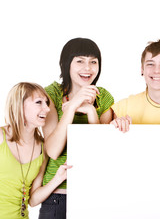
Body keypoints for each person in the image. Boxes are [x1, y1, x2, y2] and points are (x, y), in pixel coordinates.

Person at [39, 38, 114, 219]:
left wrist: (90, 111)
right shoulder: (51, 94)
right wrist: (72, 107)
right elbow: (53, 151)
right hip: (57, 195)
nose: (87, 68)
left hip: (95, 193)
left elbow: (100, 151)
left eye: (93, 62)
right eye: (80, 61)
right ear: (66, 64)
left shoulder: (103, 97)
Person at [0, 82, 71, 219]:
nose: (47, 109)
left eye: (47, 102)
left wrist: (58, 178)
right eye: (39, 102)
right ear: (19, 106)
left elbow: (32, 200)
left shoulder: (42, 148)